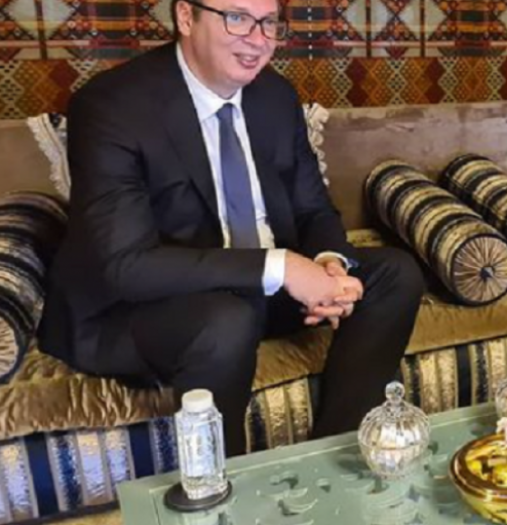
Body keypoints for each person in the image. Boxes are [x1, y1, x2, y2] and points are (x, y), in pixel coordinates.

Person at [37, 0, 425, 456]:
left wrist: (329, 266)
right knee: (226, 320)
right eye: (237, 18)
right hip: (145, 306)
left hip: (254, 291)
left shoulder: (275, 97)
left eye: (268, 23)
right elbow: (128, 266)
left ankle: (333, 456)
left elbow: (313, 209)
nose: (258, 40)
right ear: (187, 17)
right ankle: (225, 486)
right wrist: (282, 267)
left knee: (394, 274)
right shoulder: (113, 105)